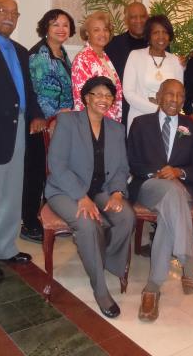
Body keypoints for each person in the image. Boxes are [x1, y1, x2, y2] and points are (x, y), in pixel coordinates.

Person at [127, 79, 193, 322]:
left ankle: (152, 288)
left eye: (180, 95)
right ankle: (189, 267)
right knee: (172, 192)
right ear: (159, 96)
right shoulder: (140, 123)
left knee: (172, 202)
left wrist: (179, 173)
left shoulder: (192, 127)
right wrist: (160, 172)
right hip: (148, 186)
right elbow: (133, 162)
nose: (174, 99)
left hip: (180, 188)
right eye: (169, 94)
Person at [45, 76, 135, 318]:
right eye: (98, 94)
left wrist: (117, 192)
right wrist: (80, 196)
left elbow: (121, 168)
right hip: (65, 190)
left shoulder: (116, 129)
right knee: (86, 223)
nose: (104, 100)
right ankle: (100, 288)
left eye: (109, 96)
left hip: (102, 189)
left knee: (126, 215)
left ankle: (102, 260)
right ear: (87, 97)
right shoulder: (67, 121)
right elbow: (57, 164)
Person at [0, 0, 45, 279]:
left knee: (10, 193)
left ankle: (5, 247)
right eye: (2, 11)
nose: (9, 16)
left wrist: (37, 114)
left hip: (18, 130)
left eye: (14, 13)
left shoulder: (20, 51)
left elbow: (28, 91)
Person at [21, 8, 75, 243]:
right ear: (46, 28)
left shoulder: (61, 52)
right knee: (35, 174)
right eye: (55, 24)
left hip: (59, 127)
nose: (61, 29)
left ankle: (45, 219)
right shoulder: (40, 55)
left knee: (51, 173)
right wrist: (55, 116)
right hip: (42, 125)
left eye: (65, 24)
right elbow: (38, 94)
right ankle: (29, 224)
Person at [123, 15, 183, 131]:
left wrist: (165, 111)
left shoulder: (176, 61)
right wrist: (158, 109)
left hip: (166, 121)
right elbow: (129, 93)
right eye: (156, 32)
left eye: (165, 32)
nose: (161, 36)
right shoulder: (135, 56)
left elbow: (179, 94)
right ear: (149, 36)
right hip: (139, 118)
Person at [72, 11, 122, 121]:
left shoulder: (104, 57)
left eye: (105, 29)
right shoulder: (83, 58)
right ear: (87, 33)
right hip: (92, 123)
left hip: (110, 121)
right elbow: (82, 98)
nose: (102, 34)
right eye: (96, 30)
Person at [105, 2, 148, 126]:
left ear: (148, 18)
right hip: (122, 110)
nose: (138, 20)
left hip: (150, 109)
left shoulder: (159, 44)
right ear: (126, 20)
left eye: (142, 16)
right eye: (133, 17)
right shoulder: (112, 45)